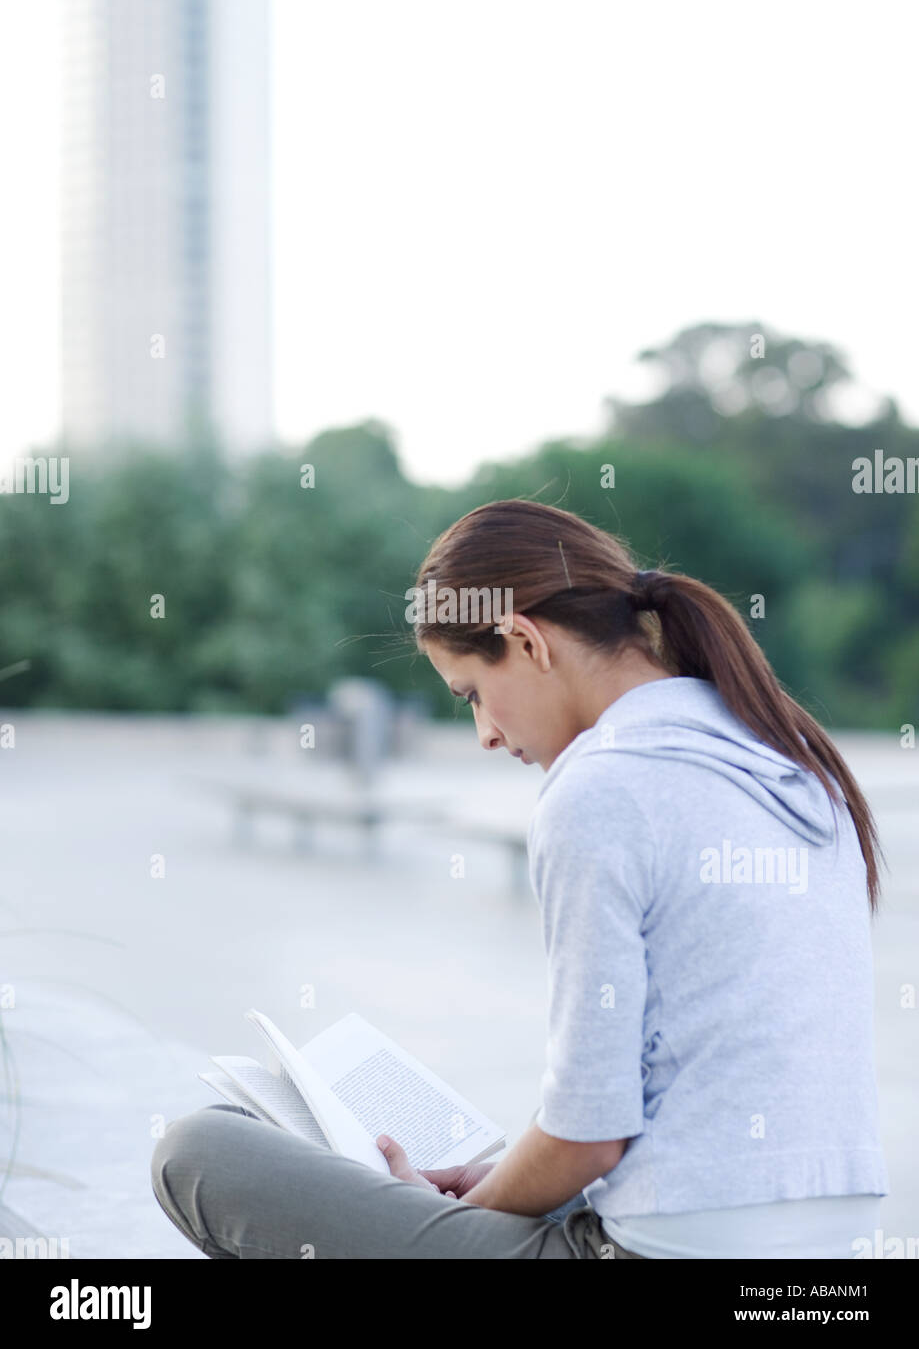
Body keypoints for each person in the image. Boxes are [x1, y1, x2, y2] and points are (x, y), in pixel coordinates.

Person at [151, 499, 889, 1259]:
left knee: (200, 1151)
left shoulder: (599, 790)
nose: (486, 735)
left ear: (524, 640)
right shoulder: (791, 763)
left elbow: (588, 1140)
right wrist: (492, 1185)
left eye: (471, 693)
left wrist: (437, 1205)